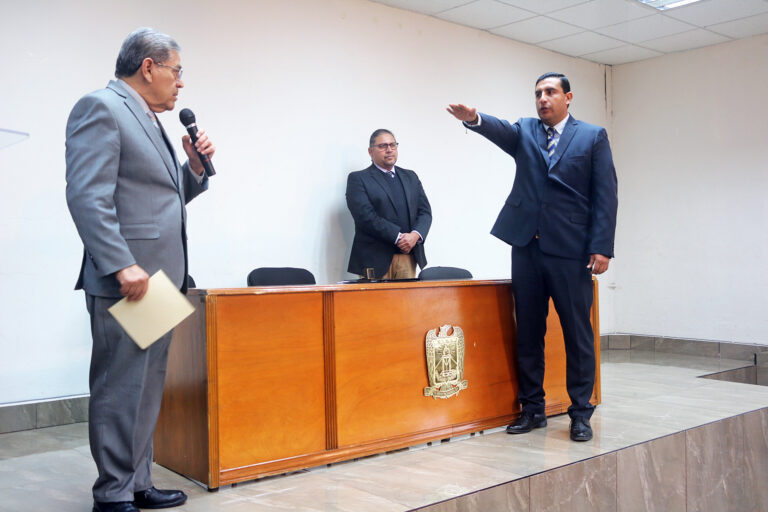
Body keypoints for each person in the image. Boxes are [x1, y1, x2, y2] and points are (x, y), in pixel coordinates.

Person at [65, 27, 215, 512]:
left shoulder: (150, 120)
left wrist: (192, 169)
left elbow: (161, 200)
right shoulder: (101, 108)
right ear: (148, 67)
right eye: (177, 72)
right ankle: (112, 496)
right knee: (119, 388)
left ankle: (137, 483)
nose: (180, 84)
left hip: (159, 280)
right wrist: (120, 264)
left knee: (147, 387)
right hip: (129, 281)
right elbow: (88, 197)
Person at [447, 72, 617, 442]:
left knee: (577, 334)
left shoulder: (592, 136)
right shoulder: (524, 130)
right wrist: (474, 119)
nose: (543, 98)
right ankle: (532, 409)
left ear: (568, 97)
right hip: (526, 247)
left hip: (571, 252)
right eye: (538, 93)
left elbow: (606, 195)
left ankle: (580, 413)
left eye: (550, 92)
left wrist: (601, 247)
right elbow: (501, 131)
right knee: (528, 333)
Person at [346, 129, 432, 280]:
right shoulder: (358, 179)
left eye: (393, 145)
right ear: (370, 151)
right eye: (383, 146)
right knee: (376, 304)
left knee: (406, 303)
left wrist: (415, 236)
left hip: (408, 257)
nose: (389, 149)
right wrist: (398, 237)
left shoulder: (410, 177)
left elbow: (425, 212)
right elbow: (365, 217)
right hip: (374, 258)